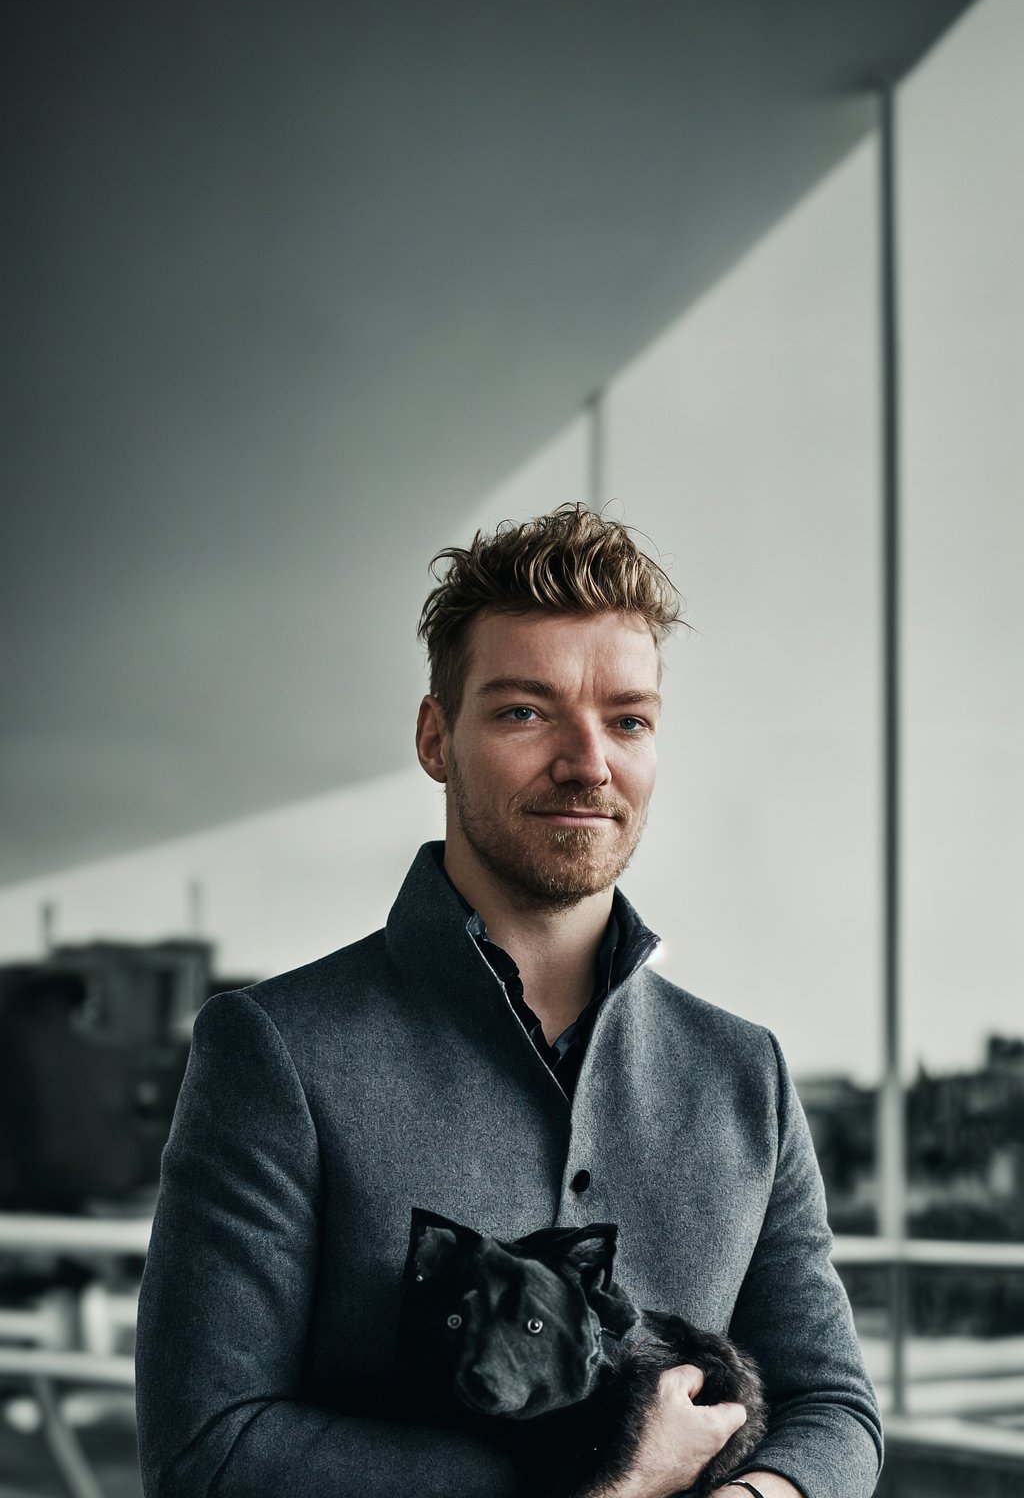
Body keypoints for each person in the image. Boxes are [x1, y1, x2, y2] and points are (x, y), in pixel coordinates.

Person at [135, 504, 882, 1498]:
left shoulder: (744, 1072)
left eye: (627, 719)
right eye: (526, 712)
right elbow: (207, 1453)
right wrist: (598, 1480)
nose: (588, 761)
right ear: (436, 738)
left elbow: (833, 1409)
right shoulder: (273, 1051)